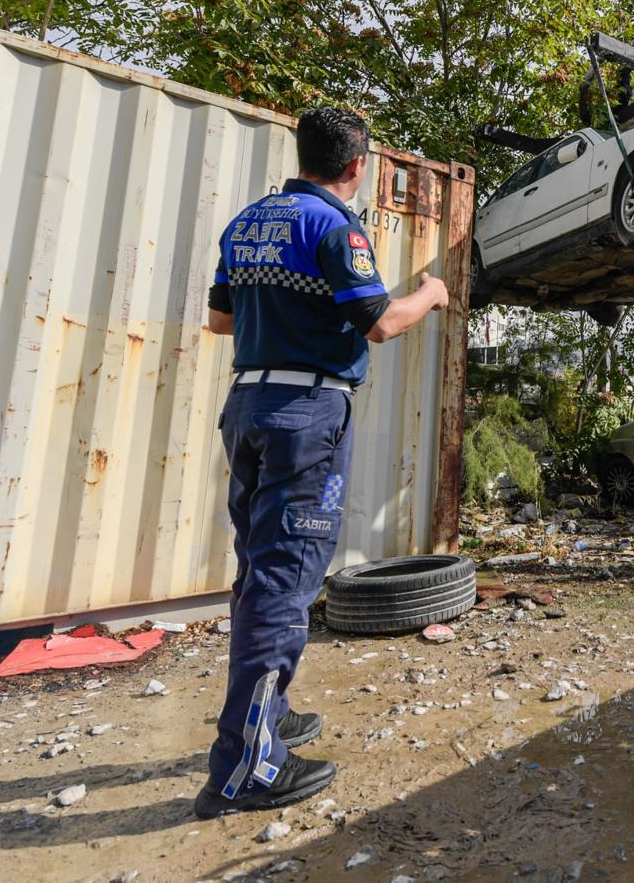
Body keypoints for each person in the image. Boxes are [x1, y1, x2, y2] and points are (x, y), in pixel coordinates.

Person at [196, 107, 448, 818]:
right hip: (305, 418)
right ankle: (244, 770)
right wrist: (430, 292)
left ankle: (268, 721)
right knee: (285, 580)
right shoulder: (336, 227)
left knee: (260, 570)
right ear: (358, 164)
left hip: (247, 407)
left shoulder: (248, 223)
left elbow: (219, 321)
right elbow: (382, 322)